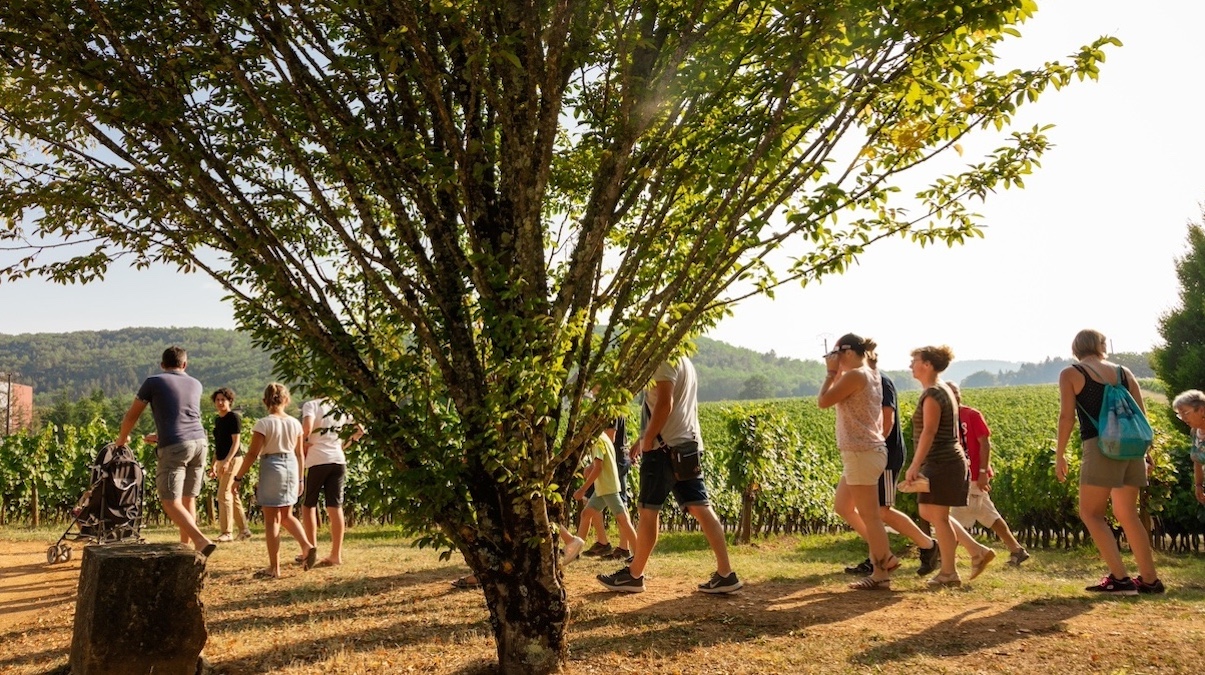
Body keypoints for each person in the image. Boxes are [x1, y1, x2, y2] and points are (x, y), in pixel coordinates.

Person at [597, 356, 741, 594]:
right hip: (687, 445)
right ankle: (726, 573)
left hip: (663, 450)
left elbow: (665, 404)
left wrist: (647, 440)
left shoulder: (663, 361)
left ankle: (634, 575)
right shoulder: (686, 361)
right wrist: (642, 438)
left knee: (648, 510)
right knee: (701, 507)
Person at [1056, 329, 1162, 595]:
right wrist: (1147, 453)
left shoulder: (1072, 374)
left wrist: (1060, 454)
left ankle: (1120, 579)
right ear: (1101, 346)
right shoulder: (1125, 373)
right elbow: (1141, 415)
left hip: (1100, 445)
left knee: (1091, 513)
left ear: (1076, 348)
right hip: (1132, 448)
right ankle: (1150, 580)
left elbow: (1066, 417)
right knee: (1128, 513)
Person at [840, 352, 940, 578]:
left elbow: (888, 420)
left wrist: (875, 449)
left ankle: (928, 546)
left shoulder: (880, 381)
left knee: (881, 511)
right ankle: (882, 552)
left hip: (881, 453)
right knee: (843, 506)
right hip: (859, 454)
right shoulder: (859, 382)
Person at [904, 345, 995, 588]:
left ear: (927, 365)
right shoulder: (941, 389)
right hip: (944, 461)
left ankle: (949, 573)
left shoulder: (933, 393)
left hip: (942, 462)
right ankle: (976, 551)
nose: (910, 365)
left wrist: (914, 464)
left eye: (914, 360)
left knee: (939, 517)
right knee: (929, 513)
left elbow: (929, 431)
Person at [816, 334, 898, 590]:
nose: (834, 359)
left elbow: (823, 401)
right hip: (866, 452)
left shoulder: (855, 376)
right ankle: (885, 556)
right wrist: (837, 369)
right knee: (843, 505)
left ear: (848, 353)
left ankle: (881, 572)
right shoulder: (871, 372)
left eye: (837, 353)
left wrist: (830, 373)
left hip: (861, 453)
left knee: (871, 516)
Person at [116, 346, 215, 556]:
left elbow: (132, 416)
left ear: (162, 365)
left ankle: (199, 540)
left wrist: (121, 440)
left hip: (176, 445)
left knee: (170, 501)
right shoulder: (196, 383)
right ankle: (186, 548)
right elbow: (184, 416)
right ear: (185, 364)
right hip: (200, 442)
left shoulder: (154, 381)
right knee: (189, 498)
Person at [233, 383, 317, 578]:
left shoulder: (263, 423)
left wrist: (239, 477)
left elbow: (253, 453)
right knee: (287, 515)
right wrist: (301, 479)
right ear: (286, 400)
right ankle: (306, 545)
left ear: (265, 401)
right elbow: (299, 454)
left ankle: (274, 568)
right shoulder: (295, 423)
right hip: (291, 466)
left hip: (272, 465)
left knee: (271, 520)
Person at [947, 382, 1029, 566]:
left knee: (953, 520)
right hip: (959, 477)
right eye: (949, 394)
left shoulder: (972, 415)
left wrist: (983, 472)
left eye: (956, 392)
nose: (954, 397)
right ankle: (1016, 550)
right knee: (989, 516)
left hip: (974, 476)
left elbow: (985, 444)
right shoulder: (944, 419)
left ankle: (946, 560)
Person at [300, 397, 363, 567]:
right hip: (338, 460)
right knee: (335, 507)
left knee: (308, 506)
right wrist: (343, 446)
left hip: (317, 460)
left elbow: (306, 428)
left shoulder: (311, 405)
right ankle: (336, 555)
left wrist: (302, 444)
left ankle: (311, 549)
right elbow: (360, 430)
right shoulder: (341, 407)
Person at [561, 432, 639, 565]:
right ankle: (575, 550)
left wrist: (582, 489)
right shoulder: (604, 438)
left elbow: (598, 468)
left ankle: (639, 555)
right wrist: (590, 467)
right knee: (586, 514)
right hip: (602, 488)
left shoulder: (597, 441)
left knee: (623, 520)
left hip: (608, 488)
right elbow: (602, 461)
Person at [581, 415, 634, 561]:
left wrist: (593, 465)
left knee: (619, 508)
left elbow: (609, 437)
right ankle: (610, 544)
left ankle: (624, 547)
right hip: (618, 459)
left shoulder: (610, 405)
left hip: (612, 462)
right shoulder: (613, 402)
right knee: (595, 504)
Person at [209, 388, 251, 543]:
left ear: (229, 401)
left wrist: (227, 461)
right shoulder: (218, 420)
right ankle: (244, 530)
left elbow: (236, 443)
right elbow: (218, 444)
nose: (220, 403)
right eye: (217, 400)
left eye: (223, 400)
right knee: (232, 494)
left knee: (223, 494)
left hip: (233, 460)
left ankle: (227, 532)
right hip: (222, 460)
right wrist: (214, 464)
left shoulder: (233, 417)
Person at [1172, 389, 1205, 508]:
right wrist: (1198, 485)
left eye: (1185, 413)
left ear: (1201, 410)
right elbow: (1197, 461)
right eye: (1180, 415)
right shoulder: (1195, 432)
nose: (1183, 418)